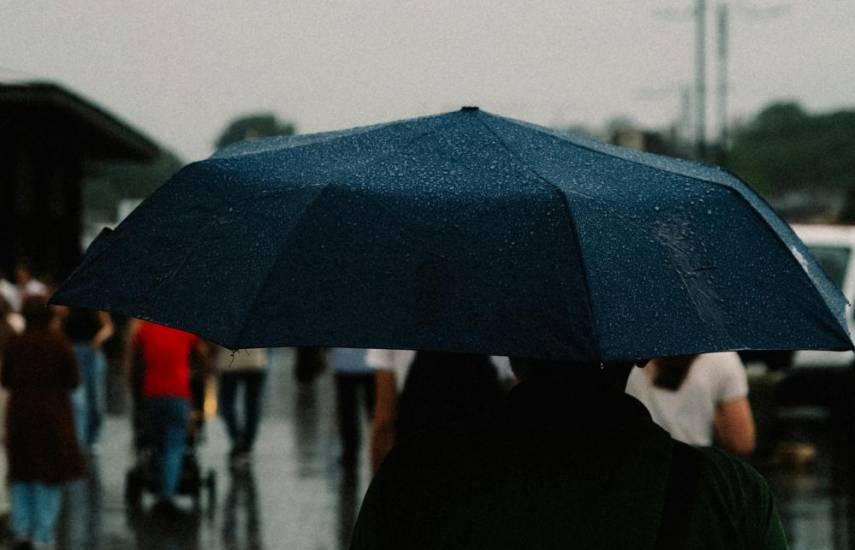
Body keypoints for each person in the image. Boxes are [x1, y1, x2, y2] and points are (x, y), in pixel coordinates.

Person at [350, 356, 788, 550]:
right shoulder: (730, 495)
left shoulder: (415, 480)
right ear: (641, 353)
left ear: (512, 348)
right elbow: (744, 441)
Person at [1, 296, 85, 548]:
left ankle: (22, 527)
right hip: (52, 415)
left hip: (20, 414)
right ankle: (43, 533)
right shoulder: (59, 344)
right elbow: (73, 380)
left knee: (22, 472)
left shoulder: (15, 343)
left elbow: (6, 379)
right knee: (48, 474)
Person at [367, 350, 508, 472]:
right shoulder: (497, 327)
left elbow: (384, 418)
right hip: (479, 461)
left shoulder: (392, 326)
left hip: (417, 462)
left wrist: (378, 488)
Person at [126, 319, 209, 513]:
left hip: (152, 393)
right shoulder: (187, 329)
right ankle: (166, 495)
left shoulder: (144, 330)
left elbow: (134, 363)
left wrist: (134, 389)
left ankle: (157, 480)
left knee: (156, 442)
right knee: (174, 445)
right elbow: (202, 358)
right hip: (179, 393)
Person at [626, 352, 756, 457]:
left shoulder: (622, 350)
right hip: (695, 471)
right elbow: (742, 443)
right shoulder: (721, 356)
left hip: (634, 465)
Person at [63, 307, 114, 451]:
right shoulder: (67, 304)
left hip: (92, 352)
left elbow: (108, 327)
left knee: (95, 400)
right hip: (74, 352)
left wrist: (98, 339)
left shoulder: (96, 305)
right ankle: (80, 440)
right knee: (77, 401)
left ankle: (93, 437)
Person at [214, 346, 268, 467]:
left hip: (228, 361)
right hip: (255, 361)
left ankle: (237, 440)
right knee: (252, 405)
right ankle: (247, 445)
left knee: (227, 403)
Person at [329, 348, 376, 468]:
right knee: (369, 413)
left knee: (348, 413)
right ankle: (353, 452)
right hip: (367, 365)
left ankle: (350, 453)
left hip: (346, 365)